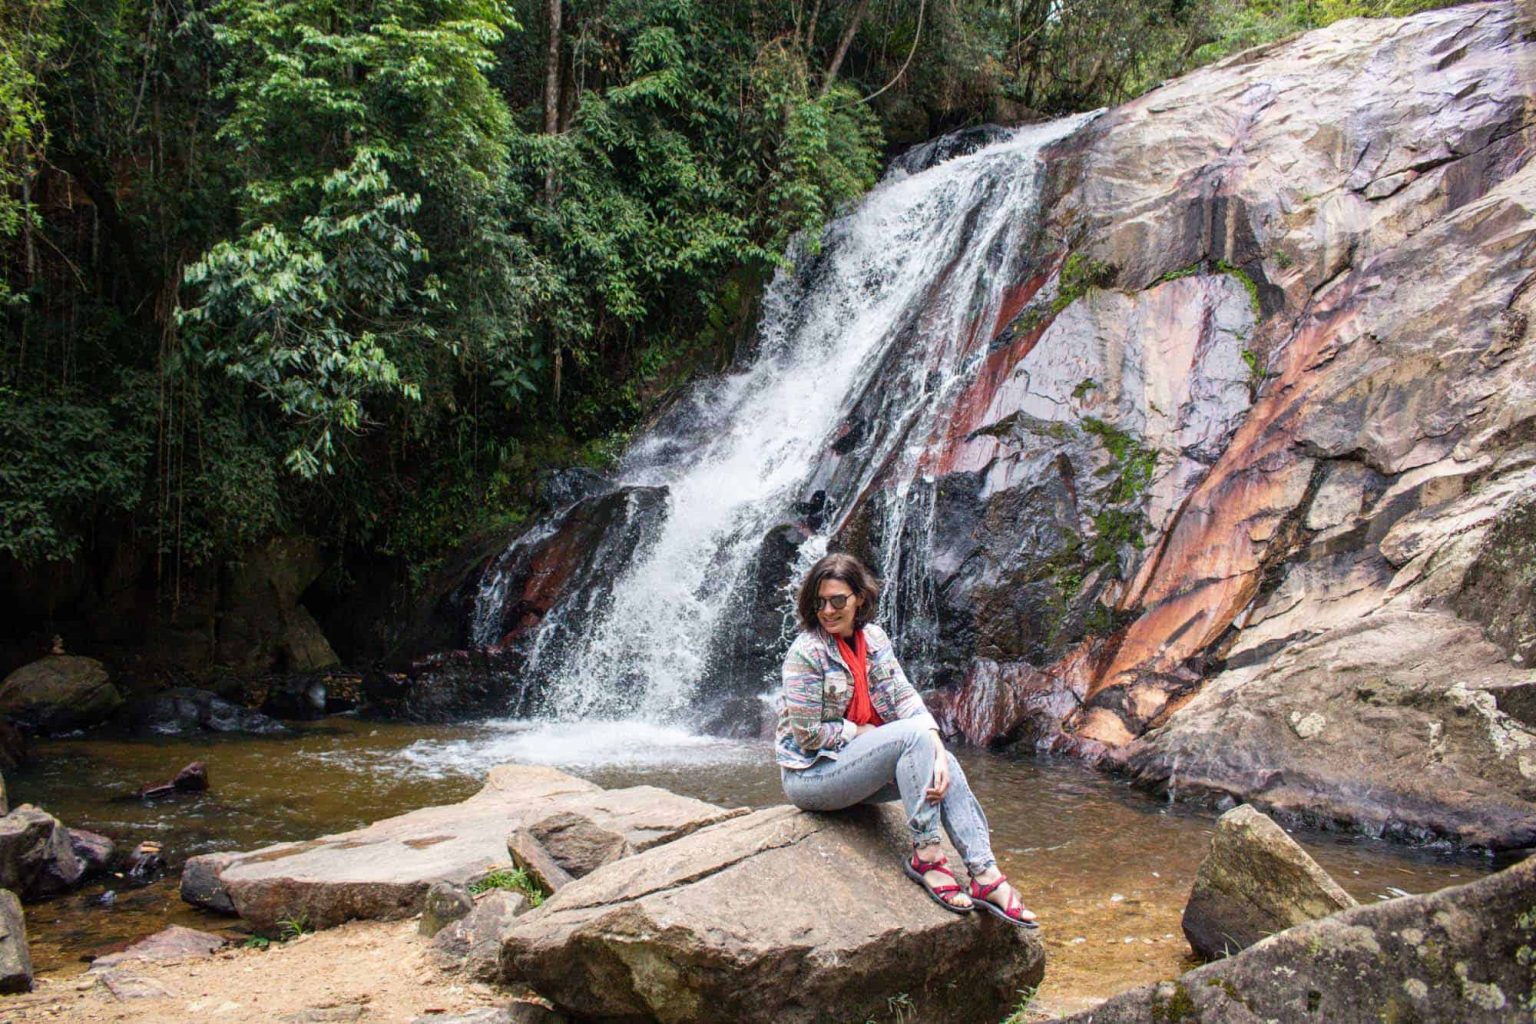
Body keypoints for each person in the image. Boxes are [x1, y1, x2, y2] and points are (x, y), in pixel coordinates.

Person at [775, 552, 1038, 927]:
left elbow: (904, 697)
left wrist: (938, 748)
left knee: (939, 753)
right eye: (819, 602)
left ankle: (984, 874)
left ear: (859, 599)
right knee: (915, 737)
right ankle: (928, 855)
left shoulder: (875, 639)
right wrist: (858, 731)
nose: (827, 611)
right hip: (812, 778)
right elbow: (807, 734)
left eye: (837, 601)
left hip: (857, 774)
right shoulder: (807, 652)